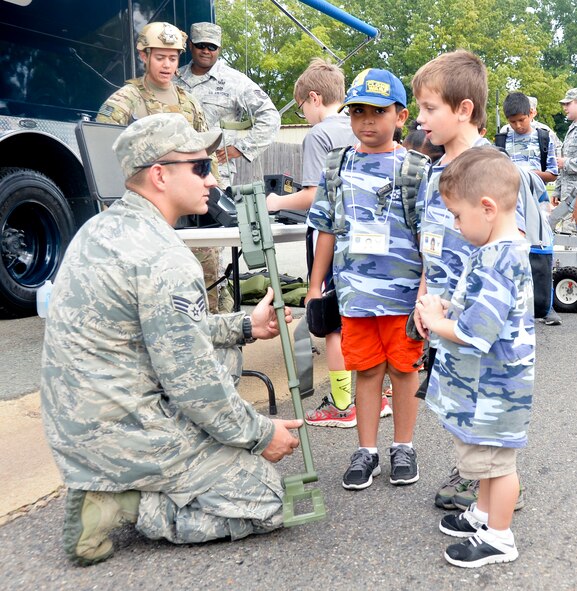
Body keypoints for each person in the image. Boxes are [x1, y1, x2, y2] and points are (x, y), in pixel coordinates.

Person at [40, 113, 302, 566]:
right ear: (160, 175)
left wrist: (243, 327)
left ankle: (122, 479)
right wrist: (260, 436)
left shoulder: (100, 229)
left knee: (227, 356)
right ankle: (123, 502)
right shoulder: (165, 258)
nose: (212, 179)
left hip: (79, 422)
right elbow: (193, 382)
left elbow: (168, 334)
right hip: (121, 431)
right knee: (267, 497)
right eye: (201, 167)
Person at [412, 50, 527, 511]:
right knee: (454, 401)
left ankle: (494, 490)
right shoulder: (435, 169)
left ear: (464, 110)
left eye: (429, 109)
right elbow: (429, 241)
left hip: (479, 322)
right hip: (443, 313)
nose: (420, 120)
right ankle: (476, 478)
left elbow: (511, 248)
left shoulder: (498, 170)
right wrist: (424, 296)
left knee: (488, 408)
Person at [306, 68, 424, 489]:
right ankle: (367, 451)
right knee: (368, 372)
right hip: (355, 296)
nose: (367, 121)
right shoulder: (337, 165)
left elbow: (428, 236)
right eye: (357, 111)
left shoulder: (416, 168)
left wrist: (428, 292)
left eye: (378, 111)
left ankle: (404, 446)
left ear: (401, 115)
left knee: (404, 371)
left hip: (405, 296)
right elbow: (325, 228)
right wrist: (314, 284)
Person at [418, 147, 535, 568]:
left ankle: (499, 538)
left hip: (492, 392)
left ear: (486, 208)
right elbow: (483, 312)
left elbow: (475, 333)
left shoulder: (499, 259)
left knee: (498, 465)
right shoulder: (497, 251)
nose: (454, 224)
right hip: (488, 390)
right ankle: (484, 516)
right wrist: (449, 306)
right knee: (487, 460)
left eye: (456, 215)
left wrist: (436, 318)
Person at [266, 58, 392, 428]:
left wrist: (276, 202)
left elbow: (312, 196)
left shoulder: (319, 135)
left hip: (330, 237)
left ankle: (341, 402)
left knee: (333, 321)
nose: (304, 115)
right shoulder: (365, 127)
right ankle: (380, 395)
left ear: (314, 98)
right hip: (368, 240)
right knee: (369, 317)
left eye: (302, 106)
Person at [95, 21, 224, 314]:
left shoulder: (189, 103)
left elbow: (207, 156)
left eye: (173, 57)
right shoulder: (124, 101)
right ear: (144, 57)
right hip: (146, 211)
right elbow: (103, 153)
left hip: (189, 209)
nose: (167, 64)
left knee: (206, 281)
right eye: (160, 57)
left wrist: (218, 197)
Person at [176, 22, 281, 188]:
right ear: (190, 45)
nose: (206, 51)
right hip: (176, 170)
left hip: (215, 175)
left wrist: (241, 148)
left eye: (212, 46)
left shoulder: (235, 81)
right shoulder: (174, 78)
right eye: (200, 45)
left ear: (219, 49)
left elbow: (271, 117)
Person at [501, 92, 558, 184]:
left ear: (531, 113)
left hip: (536, 196)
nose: (518, 125)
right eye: (513, 122)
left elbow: (553, 174)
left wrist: (528, 174)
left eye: (521, 120)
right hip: (510, 195)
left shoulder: (544, 139)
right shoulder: (502, 140)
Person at [549, 88, 577, 234]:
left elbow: (564, 162)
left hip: (575, 201)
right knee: (567, 238)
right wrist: (557, 190)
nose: (564, 108)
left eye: (568, 103)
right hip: (567, 199)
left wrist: (566, 163)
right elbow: (562, 163)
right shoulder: (571, 128)